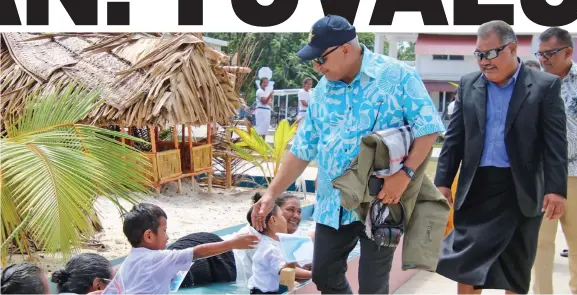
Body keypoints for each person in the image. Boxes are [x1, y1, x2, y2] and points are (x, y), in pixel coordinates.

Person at [251, 15, 445, 294]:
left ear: (345, 49)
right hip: (333, 203)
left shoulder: (397, 76)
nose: (317, 67)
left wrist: (406, 174)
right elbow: (302, 149)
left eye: (321, 59)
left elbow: (428, 128)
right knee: (324, 274)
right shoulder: (321, 92)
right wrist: (270, 195)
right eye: (314, 61)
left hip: (382, 200)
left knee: (372, 285)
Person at [434, 20, 568, 295]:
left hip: (521, 191)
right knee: (466, 264)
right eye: (479, 55)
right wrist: (443, 182)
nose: (484, 61)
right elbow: (455, 138)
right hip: (476, 190)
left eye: (491, 53)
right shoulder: (469, 84)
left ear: (512, 48)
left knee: (516, 268)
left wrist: (556, 189)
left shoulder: (545, 86)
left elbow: (555, 144)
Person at [532, 27, 577, 295]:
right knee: (540, 241)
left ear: (568, 51)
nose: (544, 59)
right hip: (541, 175)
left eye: (550, 53)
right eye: (541, 54)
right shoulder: (533, 85)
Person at [110, 203, 259, 294]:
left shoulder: (126, 265)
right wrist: (233, 244)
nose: (167, 237)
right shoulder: (160, 258)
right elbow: (199, 251)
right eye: (164, 231)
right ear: (149, 236)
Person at [234, 193, 314, 282]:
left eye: (299, 212)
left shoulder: (273, 236)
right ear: (272, 217)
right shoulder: (256, 238)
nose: (296, 216)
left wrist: (302, 265)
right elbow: (285, 271)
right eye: (290, 210)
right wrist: (315, 274)